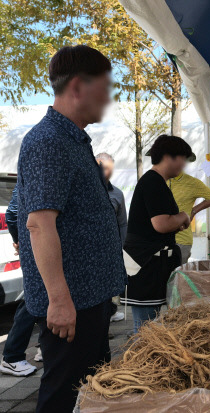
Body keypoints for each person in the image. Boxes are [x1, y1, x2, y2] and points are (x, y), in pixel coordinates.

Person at [17, 45, 126, 412]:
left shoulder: (73, 140)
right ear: (78, 86)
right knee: (64, 396)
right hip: (72, 306)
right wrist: (59, 300)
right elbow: (38, 224)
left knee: (91, 391)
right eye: (105, 87)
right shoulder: (48, 142)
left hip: (89, 299)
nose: (109, 98)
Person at [121, 135, 191, 333]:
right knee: (145, 329)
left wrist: (176, 222)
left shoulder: (157, 182)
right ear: (168, 156)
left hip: (152, 263)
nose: (183, 165)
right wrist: (183, 216)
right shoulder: (153, 182)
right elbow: (161, 224)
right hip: (145, 264)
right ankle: (139, 363)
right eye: (182, 158)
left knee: (150, 326)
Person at [0, 187, 41, 377]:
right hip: (37, 247)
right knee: (34, 298)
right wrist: (21, 240)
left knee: (39, 297)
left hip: (36, 246)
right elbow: (13, 212)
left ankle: (42, 348)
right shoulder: (35, 170)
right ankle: (12, 357)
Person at [96, 152, 127, 322]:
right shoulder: (83, 190)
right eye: (103, 168)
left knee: (108, 284)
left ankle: (108, 312)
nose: (106, 172)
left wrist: (121, 246)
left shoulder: (117, 194)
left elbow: (123, 223)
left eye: (110, 169)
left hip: (110, 249)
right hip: (89, 249)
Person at [169, 162, 210, 264]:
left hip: (181, 240)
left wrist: (194, 211)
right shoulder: (160, 180)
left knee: (177, 277)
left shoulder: (191, 182)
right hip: (159, 241)